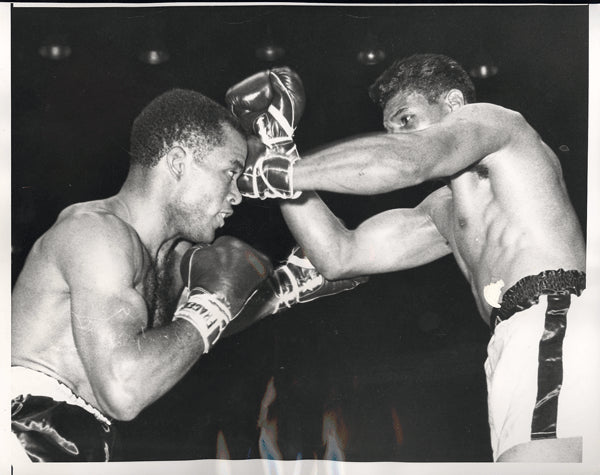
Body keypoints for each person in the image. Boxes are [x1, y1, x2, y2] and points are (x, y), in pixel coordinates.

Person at [225, 56, 588, 462]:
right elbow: (339, 255)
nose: (397, 135)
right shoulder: (445, 210)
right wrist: (280, 149)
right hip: (513, 342)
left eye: (406, 119)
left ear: (452, 105)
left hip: (552, 319)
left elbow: (407, 160)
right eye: (390, 128)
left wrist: (280, 172)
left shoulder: (498, 124)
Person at [11, 88, 364, 462]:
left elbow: (187, 331)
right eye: (230, 172)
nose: (237, 194)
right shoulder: (96, 234)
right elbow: (124, 390)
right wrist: (213, 304)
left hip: (75, 438)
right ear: (178, 162)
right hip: (26, 428)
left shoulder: (170, 255)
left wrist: (282, 288)